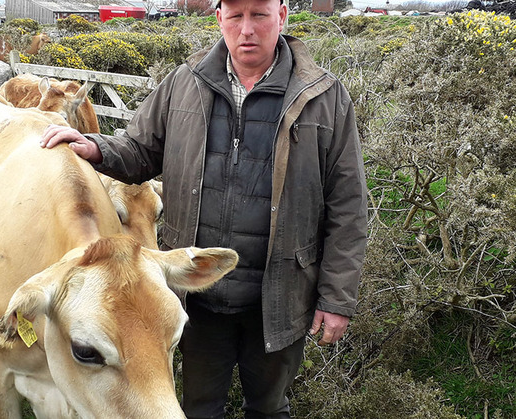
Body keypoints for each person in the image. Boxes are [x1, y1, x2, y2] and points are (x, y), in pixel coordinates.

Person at [40, 0, 367, 416]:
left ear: (281, 16)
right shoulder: (184, 82)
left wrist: (336, 299)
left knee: (268, 408)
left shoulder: (324, 96)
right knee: (197, 407)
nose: (246, 28)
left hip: (280, 295)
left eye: (259, 14)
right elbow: (141, 149)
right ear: (219, 20)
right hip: (197, 294)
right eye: (235, 15)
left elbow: (348, 205)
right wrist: (97, 148)